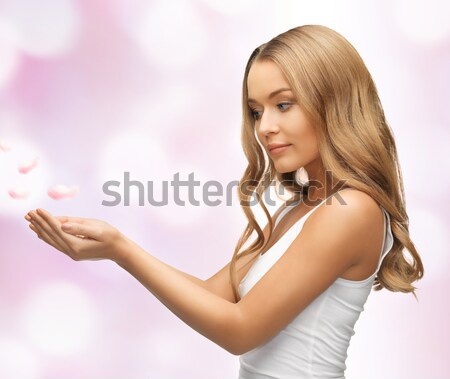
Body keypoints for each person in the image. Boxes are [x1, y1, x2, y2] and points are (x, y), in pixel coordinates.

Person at [24, 24, 424, 378]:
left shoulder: (351, 211)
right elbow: (213, 296)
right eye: (255, 111)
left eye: (283, 104)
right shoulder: (299, 208)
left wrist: (123, 250)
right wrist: (114, 250)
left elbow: (240, 329)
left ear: (332, 100)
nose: (265, 127)